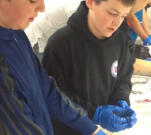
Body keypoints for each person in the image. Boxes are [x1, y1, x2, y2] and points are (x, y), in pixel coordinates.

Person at [0, 0, 107, 135]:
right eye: (32, 1)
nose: (42, 8)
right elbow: (17, 122)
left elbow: (46, 90)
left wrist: (90, 128)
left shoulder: (17, 34)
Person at [42, 0, 137, 134]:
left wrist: (121, 100)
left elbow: (123, 78)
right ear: (90, 2)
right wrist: (93, 113)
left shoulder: (120, 41)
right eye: (112, 13)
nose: (117, 23)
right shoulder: (60, 44)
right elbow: (54, 97)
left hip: (101, 129)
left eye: (123, 16)